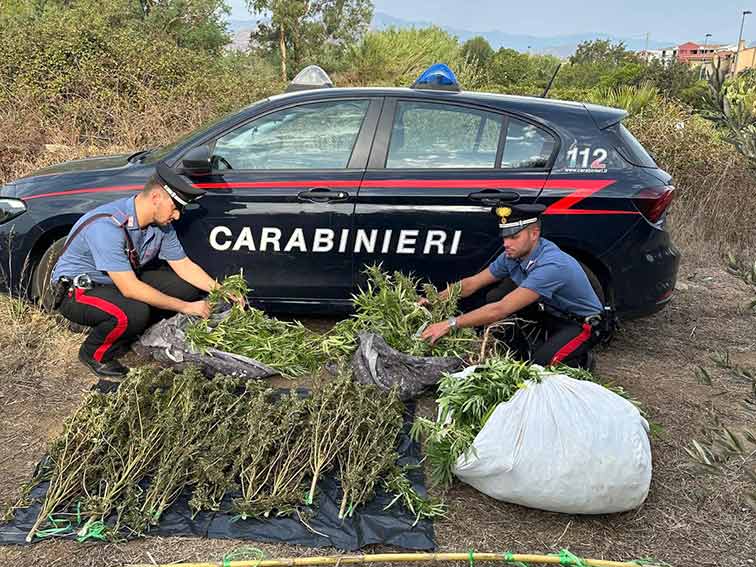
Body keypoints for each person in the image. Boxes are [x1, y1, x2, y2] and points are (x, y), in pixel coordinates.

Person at [51, 162, 229, 379]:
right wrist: (186, 307)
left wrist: (221, 290)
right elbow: (130, 289)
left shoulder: (161, 226)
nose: (178, 216)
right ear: (156, 198)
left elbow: (184, 266)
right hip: (80, 292)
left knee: (185, 288)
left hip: (117, 281)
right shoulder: (107, 227)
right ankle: (94, 353)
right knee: (132, 312)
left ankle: (137, 334)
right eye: (176, 207)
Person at [420, 203, 607, 368]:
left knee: (539, 368)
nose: (506, 244)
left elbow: (500, 310)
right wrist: (433, 300)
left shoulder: (552, 264)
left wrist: (450, 324)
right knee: (495, 297)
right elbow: (472, 283)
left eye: (514, 237)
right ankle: (521, 354)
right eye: (504, 237)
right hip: (550, 312)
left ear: (534, 234)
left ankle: (580, 361)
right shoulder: (513, 254)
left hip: (582, 324)